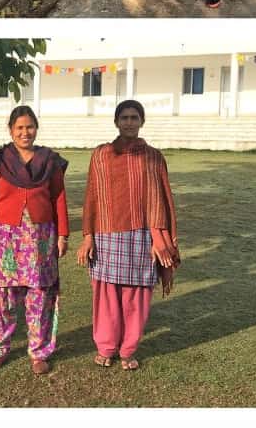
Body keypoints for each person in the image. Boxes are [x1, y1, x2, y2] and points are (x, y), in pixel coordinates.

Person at [77, 100, 179, 371]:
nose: (129, 122)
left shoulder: (153, 156)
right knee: (107, 296)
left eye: (134, 117)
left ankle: (128, 350)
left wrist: (161, 238)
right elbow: (92, 198)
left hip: (143, 236)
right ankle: (106, 348)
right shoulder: (101, 155)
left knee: (136, 298)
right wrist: (88, 236)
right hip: (107, 234)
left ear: (142, 121)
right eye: (124, 117)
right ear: (116, 121)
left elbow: (162, 198)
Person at [0, 106, 70, 375]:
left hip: (40, 239)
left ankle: (39, 352)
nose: (24, 132)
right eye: (19, 128)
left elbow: (59, 199)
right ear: (10, 130)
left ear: (36, 128)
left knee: (39, 296)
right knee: (2, 297)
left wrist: (63, 235)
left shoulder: (50, 162)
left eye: (29, 127)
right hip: (6, 239)